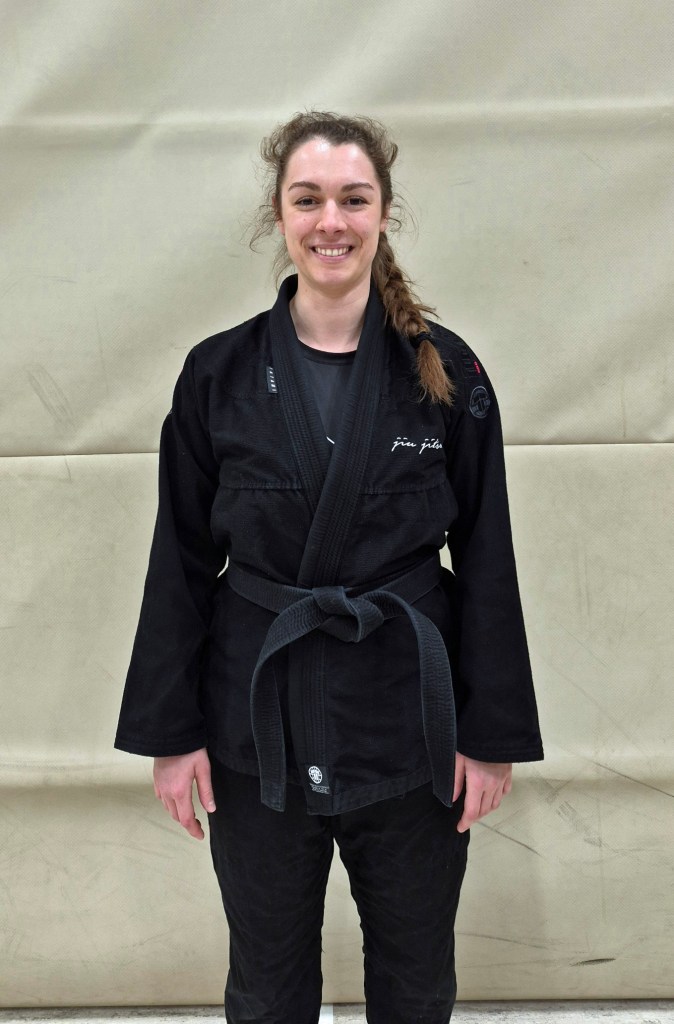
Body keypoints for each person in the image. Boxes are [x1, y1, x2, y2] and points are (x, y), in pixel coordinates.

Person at [115, 111, 543, 1024]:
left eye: (354, 199)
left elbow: (489, 556)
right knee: (266, 990)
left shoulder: (447, 372)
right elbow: (179, 560)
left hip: (411, 727)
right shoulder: (217, 375)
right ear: (279, 214)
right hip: (255, 725)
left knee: (417, 984)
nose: (331, 222)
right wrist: (171, 734)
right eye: (308, 200)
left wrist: (492, 733)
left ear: (383, 212)